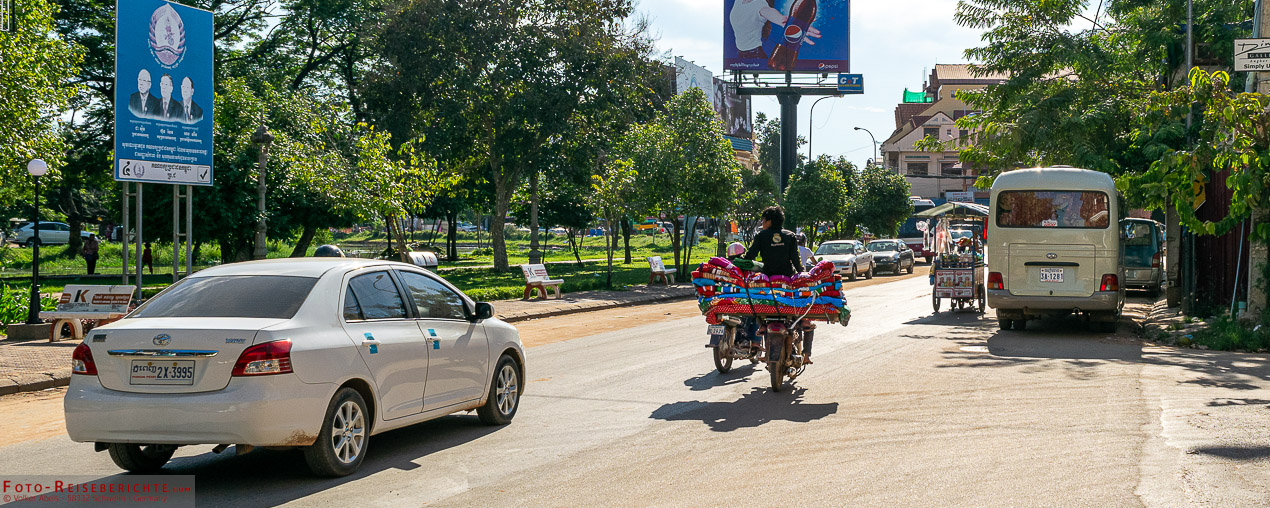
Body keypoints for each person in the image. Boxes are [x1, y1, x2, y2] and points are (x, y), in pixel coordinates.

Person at [742, 206, 815, 364]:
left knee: (760, 304)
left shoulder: (761, 236)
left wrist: (742, 264)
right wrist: (802, 275)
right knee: (798, 312)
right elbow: (795, 259)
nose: (762, 223)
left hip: (767, 281)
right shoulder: (789, 236)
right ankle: (804, 346)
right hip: (786, 281)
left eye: (763, 220)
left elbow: (750, 256)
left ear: (769, 221)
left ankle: (762, 325)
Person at [728, 0, 821, 60]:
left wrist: (782, 20)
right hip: (740, 55)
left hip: (755, 56)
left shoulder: (759, 4)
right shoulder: (738, 1)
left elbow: (769, 12)